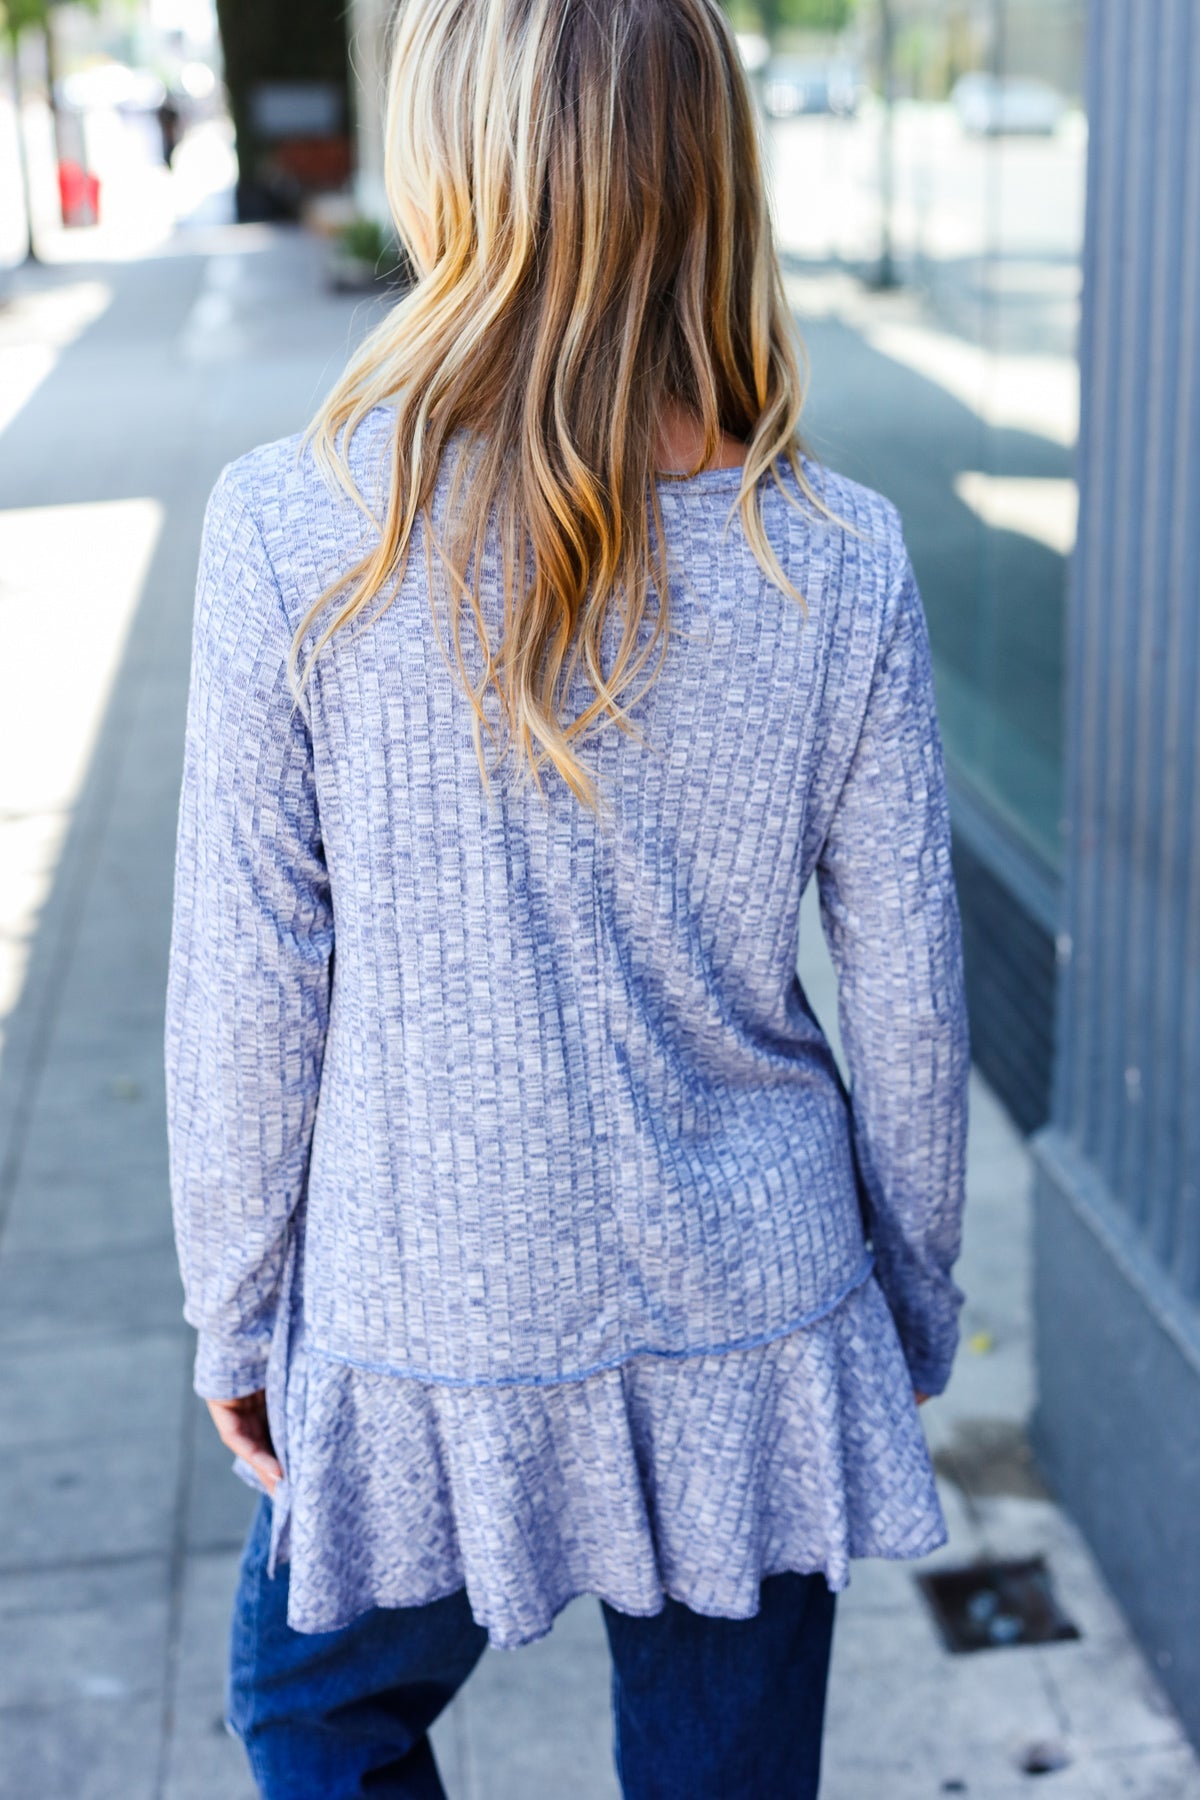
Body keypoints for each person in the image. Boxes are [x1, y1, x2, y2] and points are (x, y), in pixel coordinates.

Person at [164, 0, 970, 1793]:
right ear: (712, 179)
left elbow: (246, 989)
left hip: (425, 1309)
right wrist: (904, 1303)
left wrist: (234, 1309)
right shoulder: (834, 556)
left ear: (452, 166)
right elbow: (912, 997)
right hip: (763, 1307)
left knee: (316, 1711)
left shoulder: (298, 532)